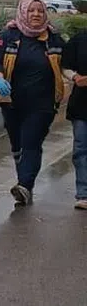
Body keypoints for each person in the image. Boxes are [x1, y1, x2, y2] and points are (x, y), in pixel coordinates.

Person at [0, 0, 64, 205]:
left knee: (31, 142)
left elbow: (67, 64)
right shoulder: (9, 35)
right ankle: (24, 177)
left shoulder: (53, 38)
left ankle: (24, 185)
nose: (36, 15)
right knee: (17, 144)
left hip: (43, 104)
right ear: (23, 12)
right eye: (32, 11)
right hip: (11, 102)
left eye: (40, 11)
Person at [61, 25, 87, 211]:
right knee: (81, 149)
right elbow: (65, 65)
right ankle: (84, 193)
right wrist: (75, 77)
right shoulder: (79, 40)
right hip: (82, 105)